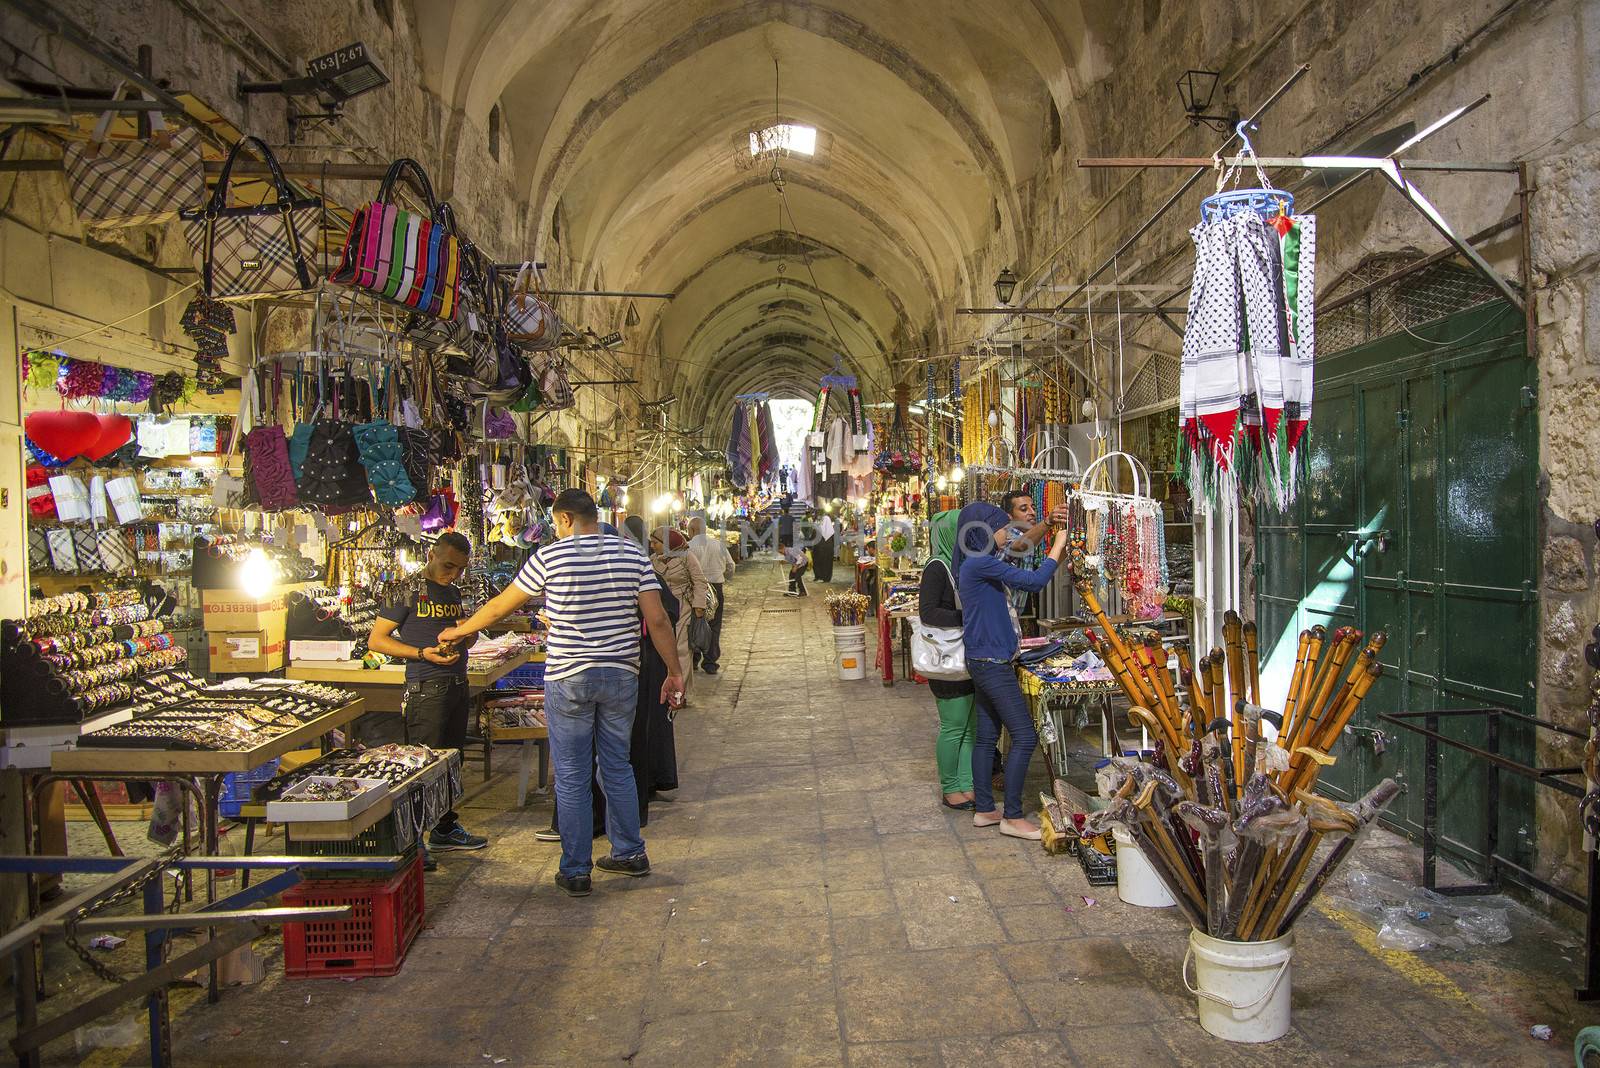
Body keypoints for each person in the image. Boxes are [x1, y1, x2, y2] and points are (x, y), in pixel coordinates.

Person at [440, 490, 684, 897]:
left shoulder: (550, 557)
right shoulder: (632, 555)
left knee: (571, 775)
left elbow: (502, 606)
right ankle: (629, 852)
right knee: (617, 765)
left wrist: (461, 630)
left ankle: (575, 869)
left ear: (567, 519)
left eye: (556, 522)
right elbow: (657, 619)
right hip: (620, 674)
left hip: (569, 676)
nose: (555, 529)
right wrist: (673, 672)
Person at [363, 531, 488, 870]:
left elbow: (465, 637)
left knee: (450, 763)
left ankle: (445, 828)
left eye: (460, 569)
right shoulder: (405, 589)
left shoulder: (452, 590)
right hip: (426, 689)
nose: (454, 574)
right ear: (431, 554)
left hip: (456, 684)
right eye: (449, 565)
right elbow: (377, 639)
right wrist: (421, 654)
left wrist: (468, 633)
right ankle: (413, 838)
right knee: (420, 766)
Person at [955, 501, 1069, 841]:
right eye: (1004, 526)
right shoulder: (981, 564)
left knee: (988, 737)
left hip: (982, 659)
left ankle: (986, 810)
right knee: (1024, 735)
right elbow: (1033, 583)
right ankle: (1013, 816)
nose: (1010, 531)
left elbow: (1023, 553)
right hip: (992, 663)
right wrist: (1058, 542)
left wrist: (1056, 542)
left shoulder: (977, 563)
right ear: (986, 531)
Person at [919, 510, 975, 810]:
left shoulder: (959, 565)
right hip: (946, 659)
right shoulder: (937, 567)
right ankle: (950, 787)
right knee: (954, 726)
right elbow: (928, 612)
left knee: (971, 727)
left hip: (963, 658)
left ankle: (966, 784)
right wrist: (967, 617)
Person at [648, 525, 708, 699]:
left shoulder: (687, 557)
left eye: (656, 543)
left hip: (684, 607)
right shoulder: (654, 560)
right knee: (666, 649)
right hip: (662, 608)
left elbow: (699, 581)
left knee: (681, 650)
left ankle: (679, 694)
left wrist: (699, 607)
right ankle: (676, 687)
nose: (652, 546)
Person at [686, 515, 735, 675]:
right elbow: (730, 565)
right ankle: (710, 662)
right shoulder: (718, 545)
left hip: (695, 589)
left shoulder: (687, 547)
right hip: (716, 586)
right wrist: (724, 577)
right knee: (714, 625)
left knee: (694, 624)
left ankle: (694, 659)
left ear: (692, 530)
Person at [812, 510, 836, 583]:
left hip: (819, 549)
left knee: (819, 562)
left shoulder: (818, 527)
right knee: (827, 563)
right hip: (827, 549)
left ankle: (819, 576)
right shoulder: (831, 532)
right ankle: (826, 578)